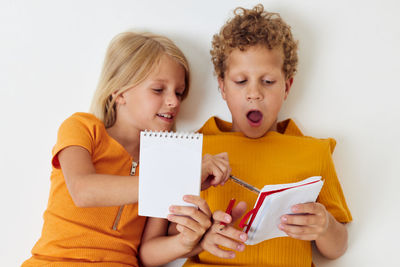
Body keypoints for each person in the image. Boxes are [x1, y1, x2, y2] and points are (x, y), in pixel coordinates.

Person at [22, 31, 231, 267]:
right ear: (120, 92)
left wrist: (189, 242)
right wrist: (181, 177)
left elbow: (147, 254)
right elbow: (83, 190)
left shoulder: (167, 162)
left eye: (179, 92)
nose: (174, 101)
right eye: (158, 90)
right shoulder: (82, 127)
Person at [182, 4, 352, 267]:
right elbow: (171, 236)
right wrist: (202, 238)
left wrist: (325, 225)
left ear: (287, 86)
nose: (254, 93)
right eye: (241, 81)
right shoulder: (195, 147)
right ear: (222, 86)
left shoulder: (314, 152)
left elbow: (337, 247)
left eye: (268, 82)